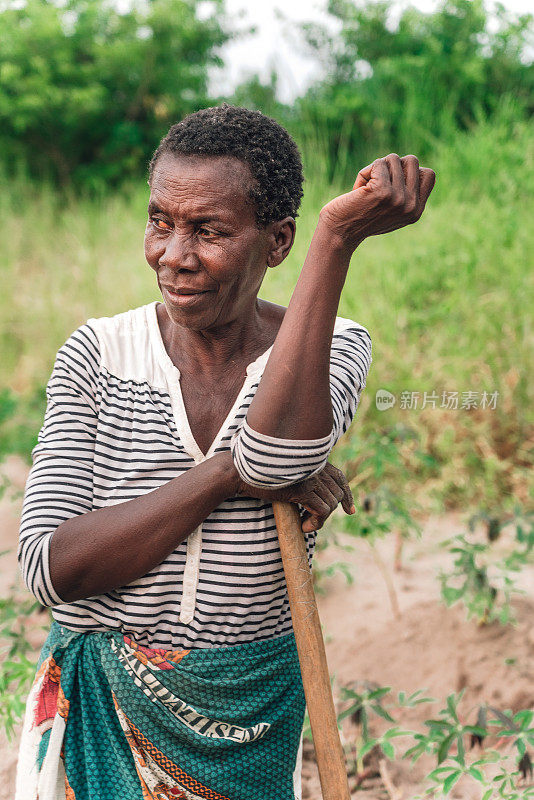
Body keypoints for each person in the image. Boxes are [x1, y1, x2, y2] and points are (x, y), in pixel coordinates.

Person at [15, 104, 435, 800]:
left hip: (249, 717)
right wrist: (221, 475)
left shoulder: (334, 347)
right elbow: (53, 569)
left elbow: (276, 461)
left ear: (277, 243)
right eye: (160, 222)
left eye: (208, 231)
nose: (174, 256)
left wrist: (335, 239)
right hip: (98, 718)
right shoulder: (98, 355)